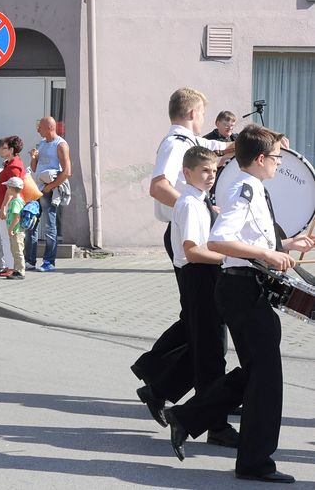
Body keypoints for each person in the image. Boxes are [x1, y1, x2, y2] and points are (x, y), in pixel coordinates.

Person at [163, 125, 313, 483]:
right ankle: (254, 463)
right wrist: (266, 253)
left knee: (256, 373)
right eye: (276, 157)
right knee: (267, 379)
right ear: (260, 159)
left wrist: (285, 246)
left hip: (244, 290)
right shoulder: (246, 187)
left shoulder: (253, 188)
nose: (280, 162)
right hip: (242, 292)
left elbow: (249, 237)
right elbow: (219, 240)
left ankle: (189, 417)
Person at [131, 88, 233, 417]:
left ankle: (158, 384)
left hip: (192, 233)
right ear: (192, 114)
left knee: (199, 321)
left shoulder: (191, 143)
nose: (203, 120)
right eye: (202, 114)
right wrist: (193, 208)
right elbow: (158, 185)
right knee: (202, 324)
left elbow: (218, 147)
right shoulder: (176, 144)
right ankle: (160, 376)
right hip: (187, 236)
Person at [166, 145, 238, 446]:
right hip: (198, 279)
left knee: (210, 353)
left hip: (204, 278)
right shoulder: (190, 204)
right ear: (187, 173)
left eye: (214, 170)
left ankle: (206, 417)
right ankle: (215, 426)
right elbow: (193, 251)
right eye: (205, 171)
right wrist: (229, 258)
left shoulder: (200, 201)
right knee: (210, 356)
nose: (211, 176)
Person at [26, 117, 71, 272]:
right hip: (36, 189)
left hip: (49, 190)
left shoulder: (61, 145)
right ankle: (29, 261)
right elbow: (35, 167)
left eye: (40, 127)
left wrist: (50, 187)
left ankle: (49, 262)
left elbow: (67, 172)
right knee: (31, 223)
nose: (38, 130)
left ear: (49, 127)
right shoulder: (42, 143)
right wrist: (33, 159)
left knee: (49, 226)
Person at [0, 135, 24, 275]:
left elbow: (11, 190)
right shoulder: (9, 163)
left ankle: (12, 268)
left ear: (11, 150)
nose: (1, 150)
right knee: (4, 238)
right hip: (5, 204)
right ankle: (9, 267)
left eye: (4, 148)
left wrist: (3, 207)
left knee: (8, 238)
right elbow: (3, 188)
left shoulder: (14, 166)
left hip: (10, 206)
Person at [2, 176, 26, 280]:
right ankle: (17, 270)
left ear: (12, 188)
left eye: (7, 187)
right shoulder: (17, 200)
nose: (7, 189)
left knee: (17, 251)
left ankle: (20, 271)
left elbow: (17, 217)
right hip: (15, 230)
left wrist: (10, 229)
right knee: (15, 250)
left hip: (16, 231)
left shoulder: (16, 202)